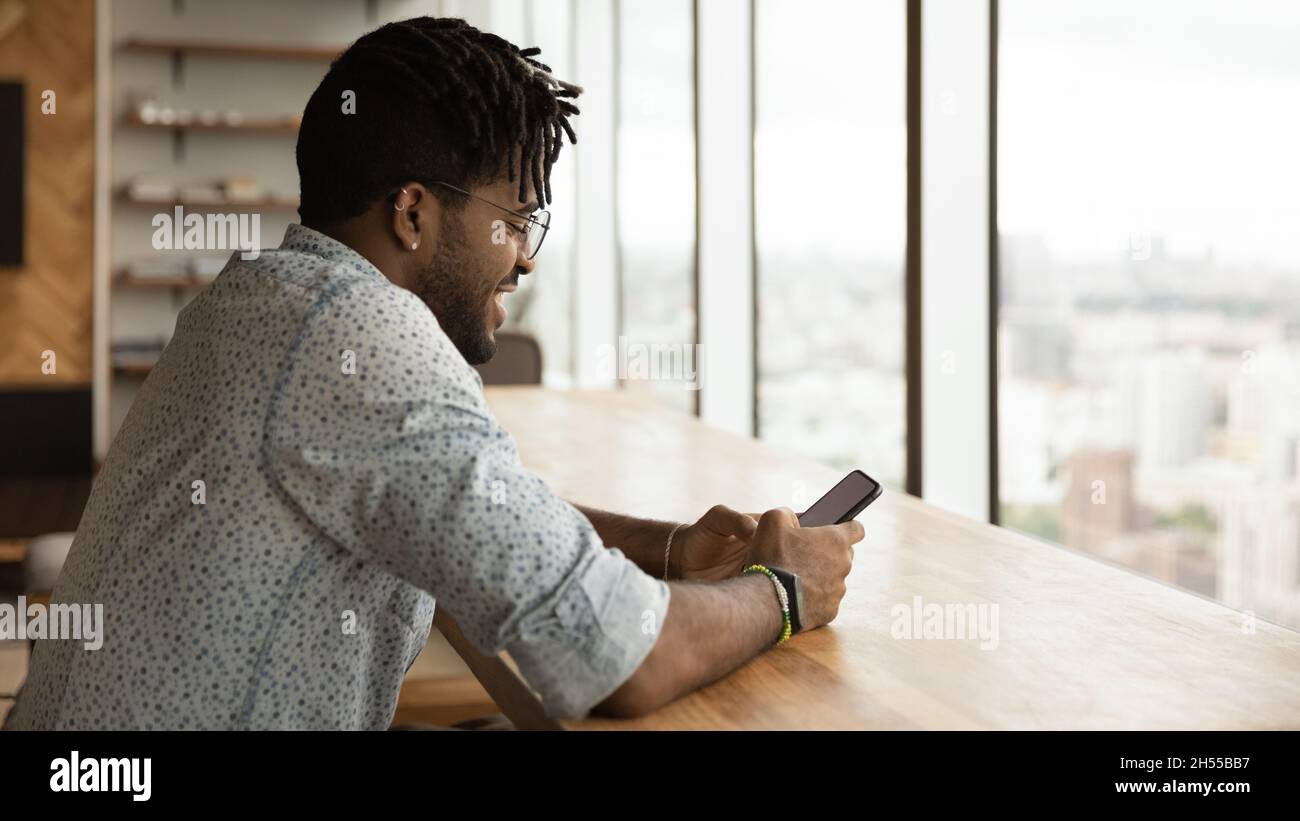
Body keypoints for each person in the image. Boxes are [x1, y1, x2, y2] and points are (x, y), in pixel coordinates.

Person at [3, 16, 863, 731]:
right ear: (413, 212)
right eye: (515, 218)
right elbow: (613, 659)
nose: (524, 258)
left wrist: (665, 547)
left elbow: (465, 505)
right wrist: (783, 590)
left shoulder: (255, 299)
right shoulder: (364, 336)